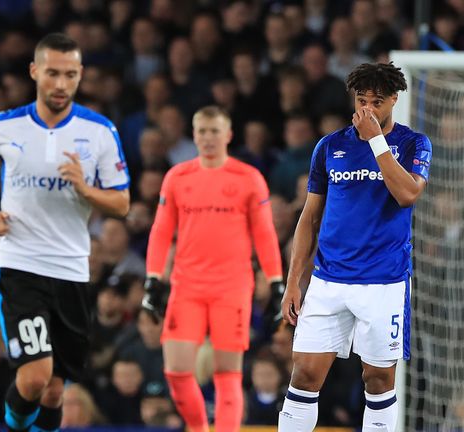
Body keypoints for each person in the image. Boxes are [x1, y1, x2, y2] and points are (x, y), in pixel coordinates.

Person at [0, 33, 130, 432]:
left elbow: (122, 203)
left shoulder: (100, 131)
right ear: (35, 71)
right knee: (34, 377)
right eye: (52, 73)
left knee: (53, 392)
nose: (61, 84)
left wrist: (85, 189)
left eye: (70, 74)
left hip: (71, 268)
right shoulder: (4, 126)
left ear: (80, 75)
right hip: (18, 261)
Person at [277, 62, 432, 432]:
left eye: (377, 102)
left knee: (378, 380)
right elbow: (309, 218)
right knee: (303, 374)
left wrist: (377, 140)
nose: (367, 109)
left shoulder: (414, 143)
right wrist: (294, 281)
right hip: (329, 281)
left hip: (383, 283)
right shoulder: (330, 147)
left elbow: (408, 194)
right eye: (362, 100)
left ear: (394, 99)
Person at [142, 106, 284, 432]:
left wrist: (276, 282)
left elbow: (264, 234)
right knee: (176, 373)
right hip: (186, 285)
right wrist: (153, 278)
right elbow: (161, 231)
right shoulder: (177, 177)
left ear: (228, 135)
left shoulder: (248, 178)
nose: (207, 138)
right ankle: (198, 428)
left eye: (214, 131)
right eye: (202, 131)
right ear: (193, 134)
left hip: (232, 287)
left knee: (226, 373)